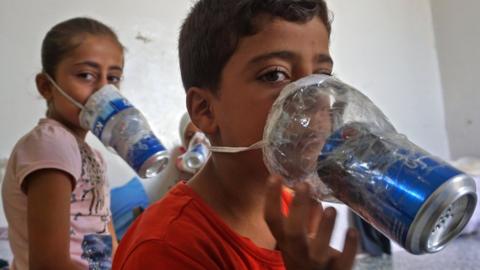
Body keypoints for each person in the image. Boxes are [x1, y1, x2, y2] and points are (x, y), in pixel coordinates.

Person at [113, 0, 358, 269]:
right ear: (205, 110)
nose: (316, 98)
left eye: (322, 75)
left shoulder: (293, 210)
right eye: (275, 74)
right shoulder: (164, 249)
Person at [2, 17, 124, 269]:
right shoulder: (51, 143)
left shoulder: (92, 155)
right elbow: (49, 264)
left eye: (112, 78)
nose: (104, 92)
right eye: (86, 75)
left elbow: (103, 226)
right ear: (46, 86)